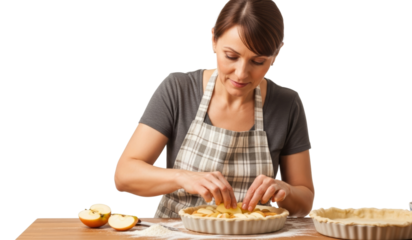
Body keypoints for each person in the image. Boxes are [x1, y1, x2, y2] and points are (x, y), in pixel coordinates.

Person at [113, 0, 314, 218]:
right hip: (175, 233)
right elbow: (124, 176)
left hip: (251, 235)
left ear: (276, 55)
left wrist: (286, 191)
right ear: (213, 40)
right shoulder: (178, 90)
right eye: (231, 56)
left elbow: (304, 203)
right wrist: (183, 177)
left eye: (257, 61)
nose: (241, 73)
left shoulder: (287, 103)